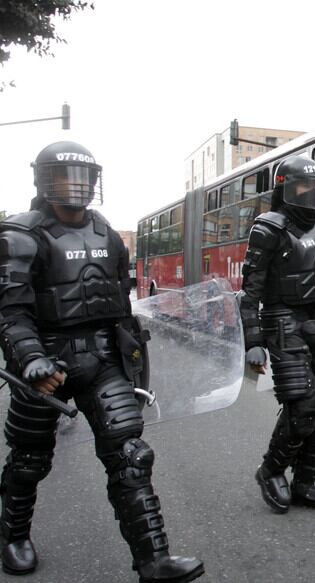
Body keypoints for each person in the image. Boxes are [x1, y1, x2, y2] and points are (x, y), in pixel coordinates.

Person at [0, 141, 203, 580]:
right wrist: (29, 358)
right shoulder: (20, 234)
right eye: (65, 176)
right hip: (45, 370)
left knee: (131, 456)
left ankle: (154, 559)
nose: (76, 187)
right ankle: (12, 535)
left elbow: (121, 303)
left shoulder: (106, 232)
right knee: (29, 461)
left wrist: (133, 359)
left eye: (84, 177)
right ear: (43, 180)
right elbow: (11, 311)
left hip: (103, 360)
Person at [240, 154, 315, 514]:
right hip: (281, 321)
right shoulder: (267, 227)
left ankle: (305, 482)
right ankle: (270, 471)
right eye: (303, 186)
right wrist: (253, 341)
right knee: (302, 407)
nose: (310, 193)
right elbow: (250, 292)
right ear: (285, 188)